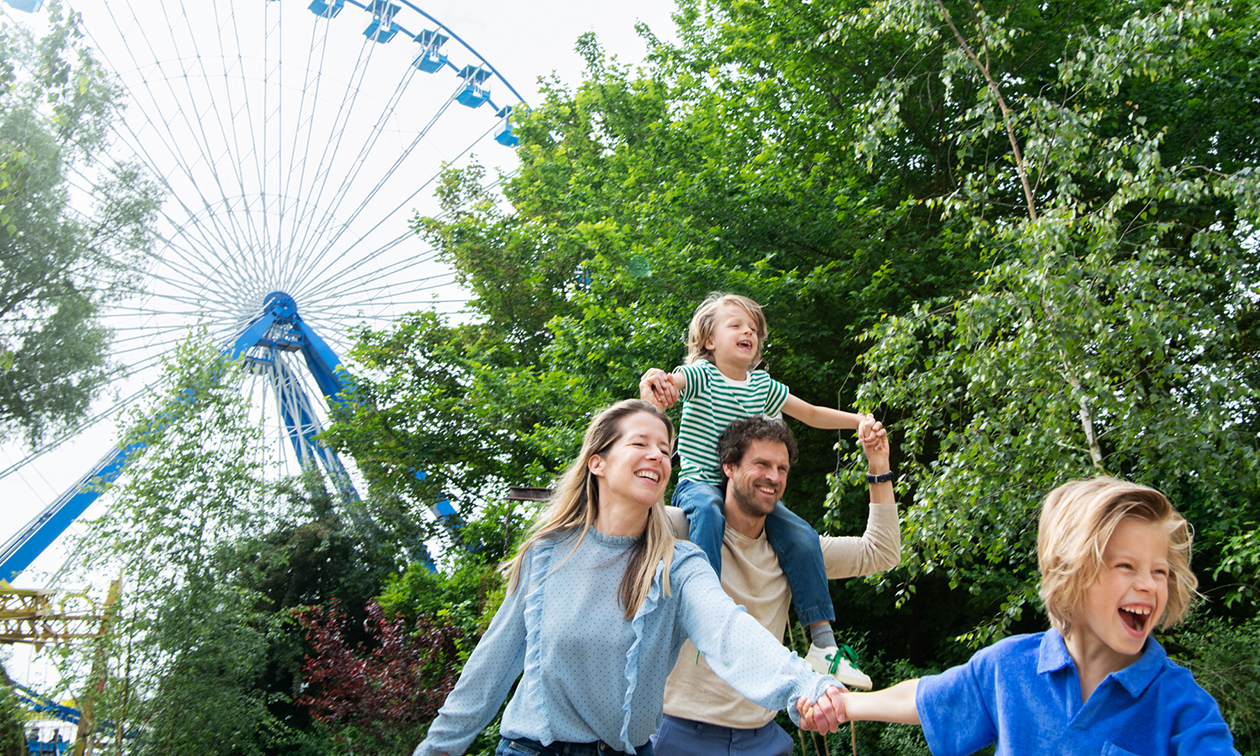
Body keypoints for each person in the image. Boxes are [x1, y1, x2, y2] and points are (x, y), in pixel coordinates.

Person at [413, 399, 854, 756]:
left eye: (665, 450)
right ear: (597, 463)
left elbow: (731, 633)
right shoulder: (545, 556)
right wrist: (439, 748)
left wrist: (807, 685)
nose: (657, 456)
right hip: (530, 748)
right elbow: (491, 667)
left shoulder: (678, 566)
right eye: (641, 444)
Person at [813, 477, 1240, 755]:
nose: (1149, 584)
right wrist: (844, 704)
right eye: (1126, 566)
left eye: (1160, 571)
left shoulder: (1183, 706)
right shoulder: (1011, 665)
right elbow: (925, 697)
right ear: (1070, 572)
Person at [640, 292, 871, 688]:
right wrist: (657, 384)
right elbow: (667, 387)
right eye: (736, 325)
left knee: (802, 536)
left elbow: (812, 414)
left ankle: (823, 644)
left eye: (754, 329)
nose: (748, 331)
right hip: (701, 483)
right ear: (710, 341)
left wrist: (858, 421)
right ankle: (704, 613)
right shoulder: (701, 375)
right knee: (710, 514)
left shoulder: (763, 385)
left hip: (744, 489)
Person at [653, 413, 900, 756]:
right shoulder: (681, 529)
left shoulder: (795, 551)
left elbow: (881, 552)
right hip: (679, 733)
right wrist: (652, 413)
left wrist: (878, 464)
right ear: (729, 467)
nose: (773, 477)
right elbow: (618, 515)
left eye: (782, 469)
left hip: (762, 738)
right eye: (762, 464)